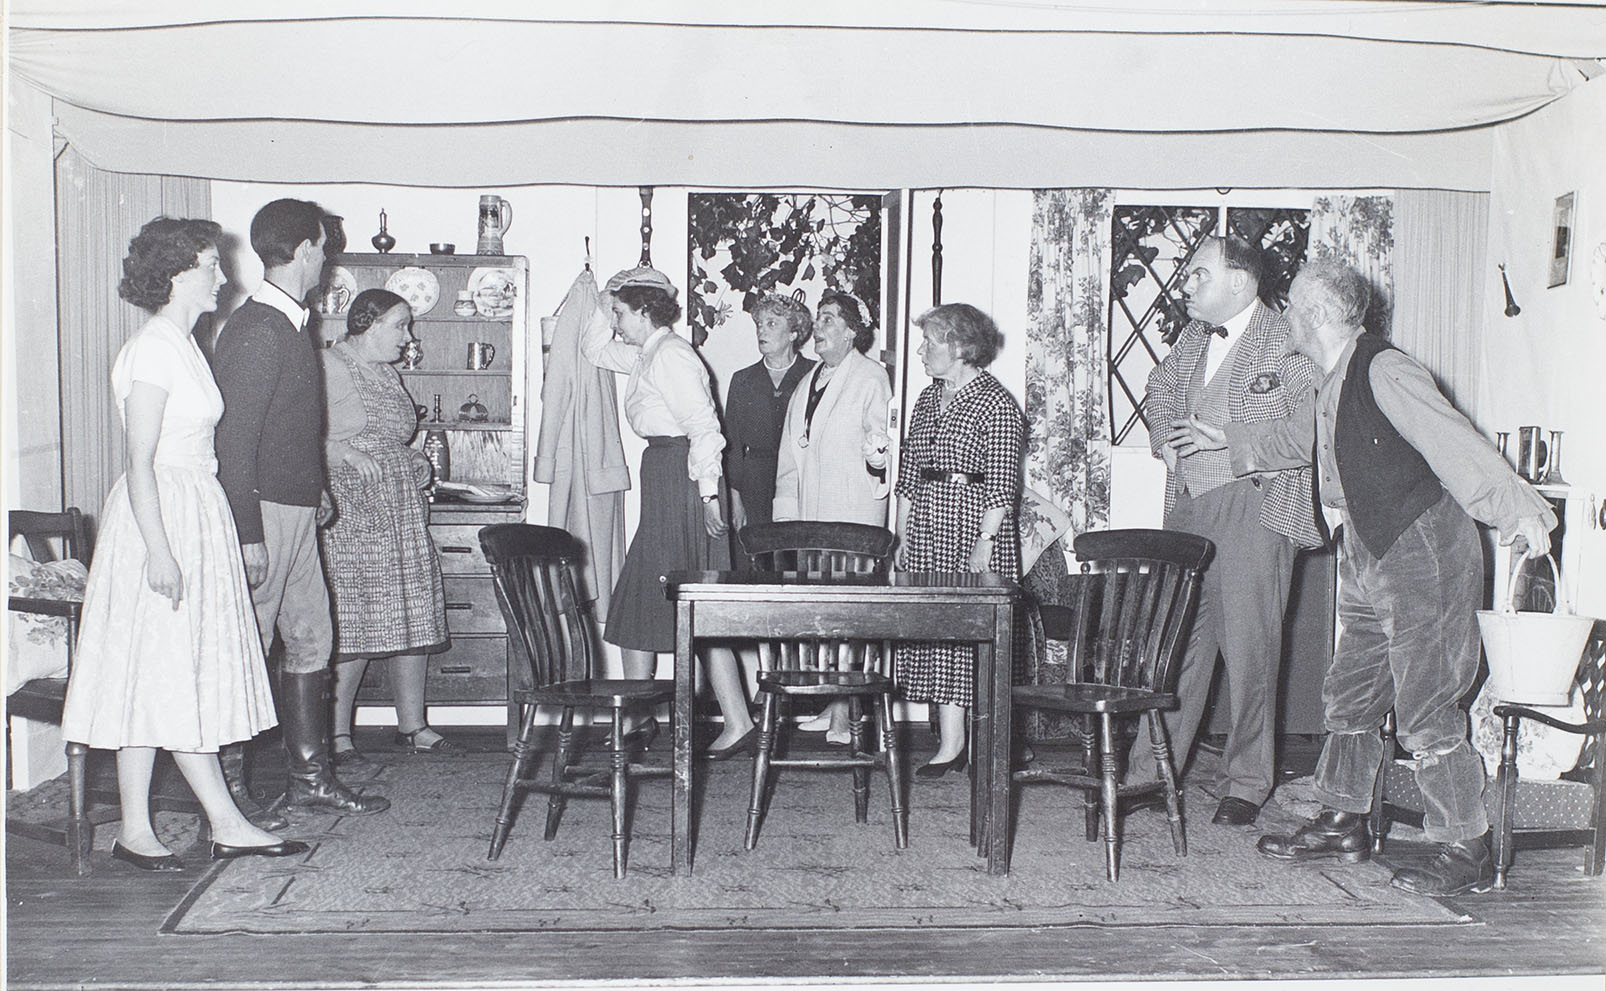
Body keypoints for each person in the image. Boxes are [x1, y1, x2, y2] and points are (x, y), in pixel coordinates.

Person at [1168, 259, 1556, 896]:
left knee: (1427, 702)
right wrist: (1228, 439)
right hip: (1368, 545)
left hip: (1421, 544)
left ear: (1317, 314)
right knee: (1350, 691)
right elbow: (1295, 440)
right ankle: (1344, 820)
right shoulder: (1332, 380)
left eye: (1290, 304)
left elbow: (1454, 442)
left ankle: (1466, 845)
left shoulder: (1384, 368)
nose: (1283, 313)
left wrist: (1515, 508)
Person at [60, 218, 309, 869]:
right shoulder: (153, 347)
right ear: (177, 272)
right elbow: (139, 460)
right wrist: (161, 551)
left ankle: (135, 830)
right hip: (160, 517)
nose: (221, 275)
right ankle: (226, 819)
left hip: (194, 508)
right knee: (175, 672)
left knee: (154, 674)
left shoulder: (185, 341)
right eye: (209, 264)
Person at [1139, 234, 1322, 827]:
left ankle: (1245, 781)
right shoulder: (1193, 335)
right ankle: (1150, 769)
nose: (1184, 285)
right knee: (1174, 647)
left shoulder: (1287, 338)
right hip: (1188, 505)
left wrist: (1235, 443)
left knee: (1250, 648)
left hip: (1254, 504)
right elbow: (1159, 387)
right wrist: (1165, 438)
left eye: (1197, 275)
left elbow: (1307, 426)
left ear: (1240, 282)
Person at [213, 198, 389, 816]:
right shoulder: (261, 328)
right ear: (307, 249)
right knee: (250, 647)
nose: (328, 258)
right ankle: (229, 792)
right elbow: (233, 441)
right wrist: (247, 530)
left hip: (293, 508)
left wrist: (314, 490)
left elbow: (290, 429)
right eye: (325, 246)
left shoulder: (289, 323)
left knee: (312, 638)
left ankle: (310, 779)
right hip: (263, 515)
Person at [581, 265, 757, 758]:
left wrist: (706, 497)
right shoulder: (647, 352)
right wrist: (605, 296)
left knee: (692, 595)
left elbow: (705, 428)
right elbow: (593, 349)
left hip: (685, 476)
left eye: (620, 312)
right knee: (655, 594)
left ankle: (728, 718)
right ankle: (640, 717)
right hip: (666, 472)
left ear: (643, 311)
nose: (614, 321)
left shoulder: (673, 355)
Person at [319, 289, 458, 763]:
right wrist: (345, 453)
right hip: (352, 513)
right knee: (354, 621)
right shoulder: (331, 365)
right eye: (400, 325)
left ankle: (412, 725)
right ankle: (337, 735)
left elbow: (393, 436)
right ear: (370, 323)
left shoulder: (387, 371)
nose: (408, 337)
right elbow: (300, 438)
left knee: (410, 614)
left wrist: (415, 458)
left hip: (399, 507)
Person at [894, 303, 1023, 777]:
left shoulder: (996, 402)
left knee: (972, 636)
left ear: (962, 347)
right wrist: (902, 533)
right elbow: (910, 472)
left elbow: (1002, 483)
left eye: (931, 342)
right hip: (929, 524)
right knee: (941, 634)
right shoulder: (928, 399)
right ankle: (952, 742)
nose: (922, 350)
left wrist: (985, 542)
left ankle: (984, 740)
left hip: (974, 525)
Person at [773, 290, 893, 743]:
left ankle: (846, 714)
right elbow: (790, 457)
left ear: (850, 331)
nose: (817, 329)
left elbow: (880, 445)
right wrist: (786, 524)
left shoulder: (870, 377)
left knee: (849, 614)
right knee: (823, 613)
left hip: (852, 517)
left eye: (827, 320)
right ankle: (834, 702)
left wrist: (877, 455)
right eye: (818, 320)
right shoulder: (808, 381)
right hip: (812, 518)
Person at [723, 293, 815, 539]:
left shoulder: (813, 375)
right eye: (759, 324)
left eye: (771, 324)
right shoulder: (742, 380)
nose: (761, 331)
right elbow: (732, 446)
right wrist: (735, 500)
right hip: (754, 486)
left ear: (793, 333)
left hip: (799, 483)